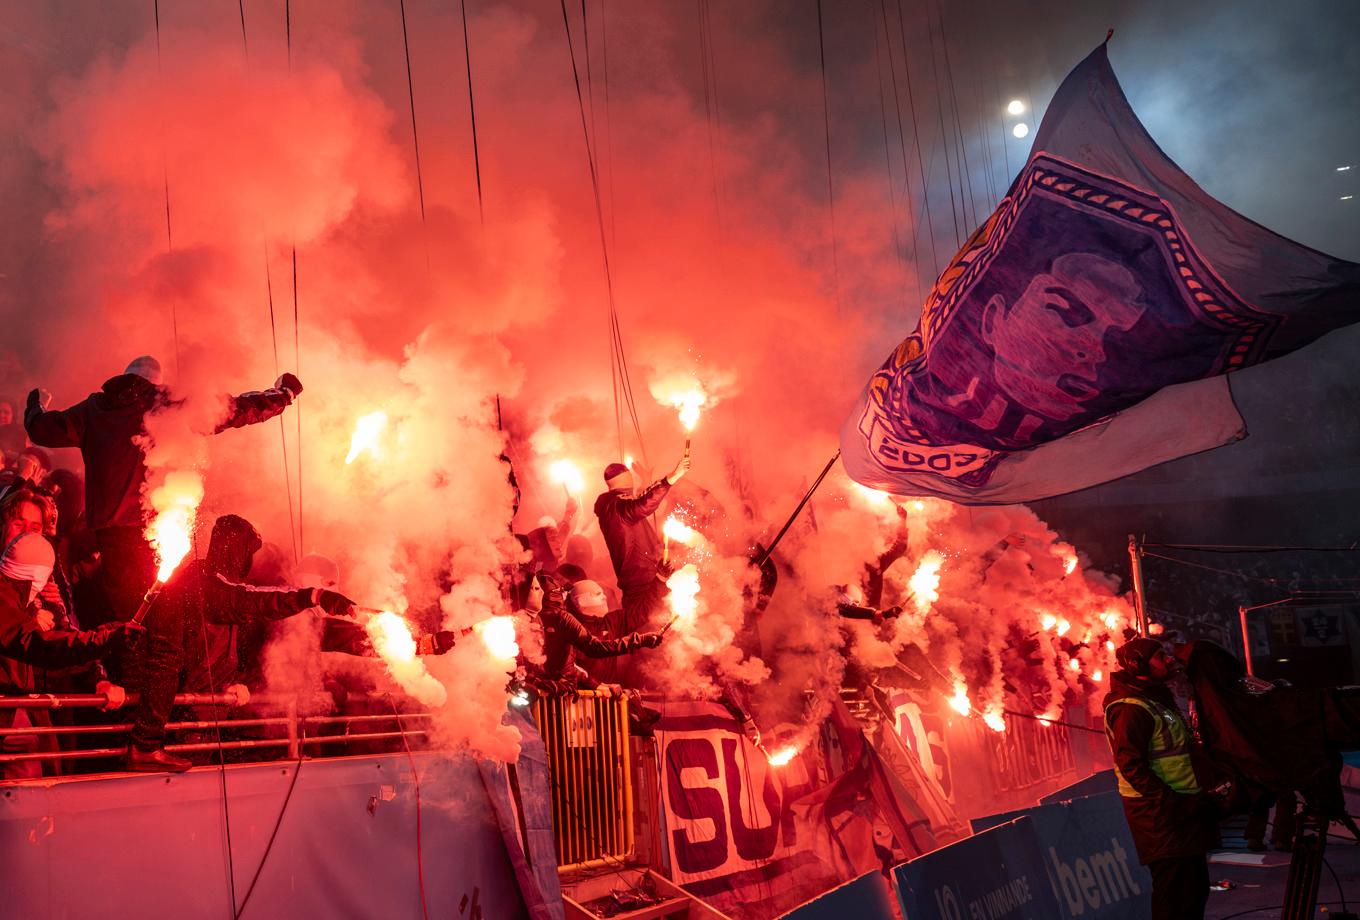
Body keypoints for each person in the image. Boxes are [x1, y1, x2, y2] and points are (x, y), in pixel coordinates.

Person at [24, 356, 303, 622]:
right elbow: (232, 410)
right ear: (156, 382)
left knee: (125, 609)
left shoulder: (93, 409)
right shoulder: (166, 403)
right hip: (154, 528)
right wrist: (282, 395)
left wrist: (36, 403)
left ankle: (123, 657)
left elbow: (40, 429)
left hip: (109, 530)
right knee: (161, 609)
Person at [128, 513, 353, 773]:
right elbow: (251, 601)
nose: (250, 560)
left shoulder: (214, 584)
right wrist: (311, 596)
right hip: (186, 717)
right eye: (247, 551)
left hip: (210, 711)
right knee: (183, 797)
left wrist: (234, 680)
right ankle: (145, 747)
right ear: (235, 549)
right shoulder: (207, 585)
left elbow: (222, 645)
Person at [0, 533, 142, 778]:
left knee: (48, 768)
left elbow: (60, 639)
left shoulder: (21, 603)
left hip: (20, 708)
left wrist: (108, 633)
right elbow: (42, 645)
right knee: (33, 779)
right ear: (35, 576)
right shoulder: (7, 604)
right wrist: (106, 638)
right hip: (9, 712)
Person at [1104, 637, 1218, 920]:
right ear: (1137, 665)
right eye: (1159, 656)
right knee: (1175, 897)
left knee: (1194, 891)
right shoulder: (1131, 708)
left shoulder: (1155, 698)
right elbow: (1131, 767)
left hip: (1182, 811)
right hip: (1161, 817)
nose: (1168, 660)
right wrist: (1172, 802)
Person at [593, 455, 690, 634]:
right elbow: (640, 505)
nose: (632, 495)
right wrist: (672, 477)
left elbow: (636, 502)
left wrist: (646, 481)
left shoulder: (612, 507)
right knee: (655, 645)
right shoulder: (616, 509)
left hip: (646, 584)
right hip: (643, 589)